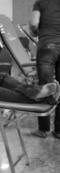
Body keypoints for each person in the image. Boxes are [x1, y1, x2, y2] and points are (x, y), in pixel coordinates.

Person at [29, 0, 60, 138]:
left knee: (45, 88)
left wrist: (35, 32)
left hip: (47, 46)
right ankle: (59, 131)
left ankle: (43, 129)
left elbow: (34, 23)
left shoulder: (41, 2)